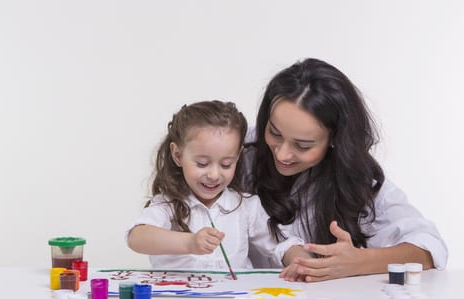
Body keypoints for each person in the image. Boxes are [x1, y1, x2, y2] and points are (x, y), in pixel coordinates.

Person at [243, 58, 448, 282]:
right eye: (275, 133)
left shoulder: (357, 179)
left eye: (302, 146)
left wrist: (358, 262)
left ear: (334, 140)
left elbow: (430, 248)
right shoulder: (235, 154)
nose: (282, 154)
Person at [127, 100, 287, 269]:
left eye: (226, 164)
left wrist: (299, 260)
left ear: (238, 156)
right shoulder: (167, 204)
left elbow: (281, 246)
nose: (214, 175)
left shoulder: (247, 206)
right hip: (178, 294)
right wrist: (190, 243)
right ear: (177, 155)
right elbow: (136, 238)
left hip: (233, 295)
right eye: (202, 164)